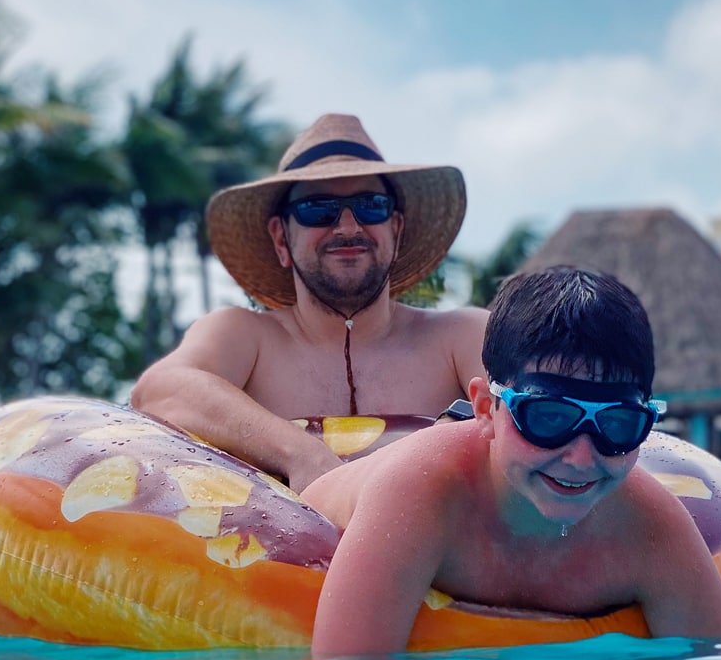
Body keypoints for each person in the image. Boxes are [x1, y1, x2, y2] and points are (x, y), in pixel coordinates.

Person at [301, 266, 721, 656]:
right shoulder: (419, 493)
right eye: (548, 418)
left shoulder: (650, 528)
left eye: (618, 425)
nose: (581, 456)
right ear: (483, 408)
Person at [130, 114, 487, 491]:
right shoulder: (246, 335)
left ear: (395, 230)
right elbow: (158, 390)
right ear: (281, 238)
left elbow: (527, 407)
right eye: (318, 209)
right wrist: (300, 453)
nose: (348, 227)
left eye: (370, 206)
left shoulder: (460, 335)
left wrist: (446, 434)